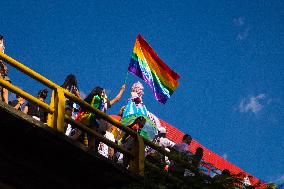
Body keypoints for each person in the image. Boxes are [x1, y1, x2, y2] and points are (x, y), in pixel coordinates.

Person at [0, 35, 11, 104]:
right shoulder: (1, 45)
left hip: (1, 69)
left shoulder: (2, 46)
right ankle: (5, 104)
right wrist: (3, 65)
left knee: (6, 84)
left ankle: (6, 104)